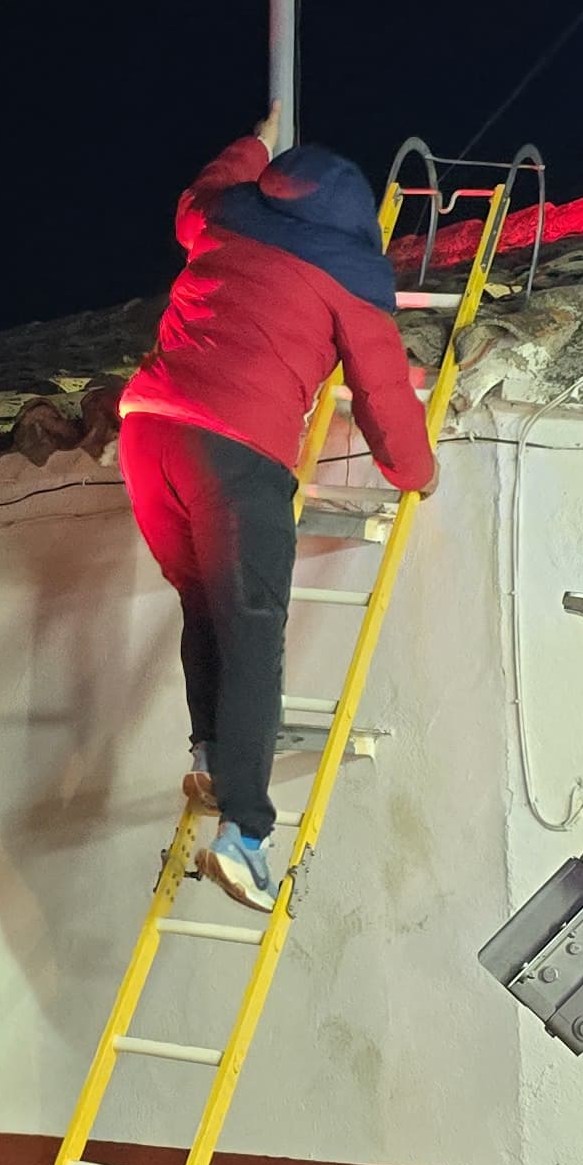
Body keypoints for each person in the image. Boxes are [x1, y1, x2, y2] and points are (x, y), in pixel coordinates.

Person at [119, 131, 437, 910]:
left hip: (147, 431)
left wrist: (253, 140)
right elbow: (383, 396)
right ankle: (246, 836)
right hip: (234, 452)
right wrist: (415, 475)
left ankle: (210, 753)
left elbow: (199, 191)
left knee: (203, 602)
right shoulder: (350, 276)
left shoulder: (226, 218)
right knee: (253, 628)